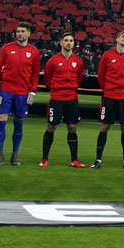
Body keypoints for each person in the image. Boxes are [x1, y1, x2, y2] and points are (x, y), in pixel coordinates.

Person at [0, 23, 41, 167]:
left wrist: (33, 92)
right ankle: (0, 154)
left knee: (19, 122)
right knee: (1, 119)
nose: (20, 34)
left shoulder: (34, 52)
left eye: (23, 31)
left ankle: (15, 155)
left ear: (29, 34)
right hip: (5, 89)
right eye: (18, 31)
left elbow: (35, 73)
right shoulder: (6, 48)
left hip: (22, 92)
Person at [91, 30, 124, 169]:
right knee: (105, 126)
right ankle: (98, 159)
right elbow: (101, 75)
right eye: (123, 36)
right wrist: (107, 90)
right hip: (109, 97)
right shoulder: (107, 55)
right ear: (117, 39)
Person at [39, 33, 86, 168]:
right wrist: (55, 89)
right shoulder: (53, 61)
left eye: (71, 41)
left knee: (72, 127)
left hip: (72, 99)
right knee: (51, 127)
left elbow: (79, 79)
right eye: (66, 40)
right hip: (57, 99)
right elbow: (47, 80)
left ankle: (74, 160)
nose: (68, 43)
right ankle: (44, 159)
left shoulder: (78, 61)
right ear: (61, 43)